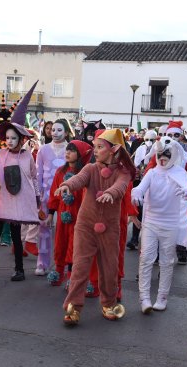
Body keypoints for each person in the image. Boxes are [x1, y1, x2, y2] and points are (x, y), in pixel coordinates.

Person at [56, 128, 135, 325]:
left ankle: (108, 303)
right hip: (86, 225)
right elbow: (79, 179)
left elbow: (121, 186)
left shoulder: (122, 172)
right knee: (80, 267)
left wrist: (111, 192)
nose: (96, 151)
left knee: (109, 268)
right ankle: (73, 306)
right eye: (95, 147)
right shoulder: (91, 168)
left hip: (110, 227)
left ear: (114, 149)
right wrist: (68, 185)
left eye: (100, 147)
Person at [0, 82, 40, 283]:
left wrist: (37, 197)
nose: (9, 141)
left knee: (16, 236)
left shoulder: (28, 157)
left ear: (21, 139)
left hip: (16, 203)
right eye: (7, 138)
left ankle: (19, 269)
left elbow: (33, 176)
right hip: (0, 201)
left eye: (13, 138)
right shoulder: (0, 153)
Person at [132, 138, 187, 313]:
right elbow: (140, 188)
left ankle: (162, 297)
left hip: (170, 224)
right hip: (151, 223)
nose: (162, 157)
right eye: (160, 154)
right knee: (146, 259)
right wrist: (136, 193)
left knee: (167, 261)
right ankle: (144, 298)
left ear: (174, 154)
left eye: (167, 154)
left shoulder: (180, 173)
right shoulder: (152, 173)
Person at [46, 140, 93, 287]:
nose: (67, 153)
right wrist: (50, 214)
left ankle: (72, 277)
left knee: (75, 246)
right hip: (62, 215)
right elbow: (54, 195)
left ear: (79, 155)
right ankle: (58, 272)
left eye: (72, 151)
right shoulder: (60, 172)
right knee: (60, 243)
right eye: (67, 150)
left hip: (79, 217)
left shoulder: (85, 173)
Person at [36, 117, 72, 275]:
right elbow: (38, 173)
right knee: (43, 229)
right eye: (52, 130)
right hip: (45, 195)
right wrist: (38, 193)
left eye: (59, 130)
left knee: (64, 229)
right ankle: (42, 264)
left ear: (66, 132)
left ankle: (63, 265)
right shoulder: (43, 149)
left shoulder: (71, 149)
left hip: (66, 196)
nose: (55, 133)